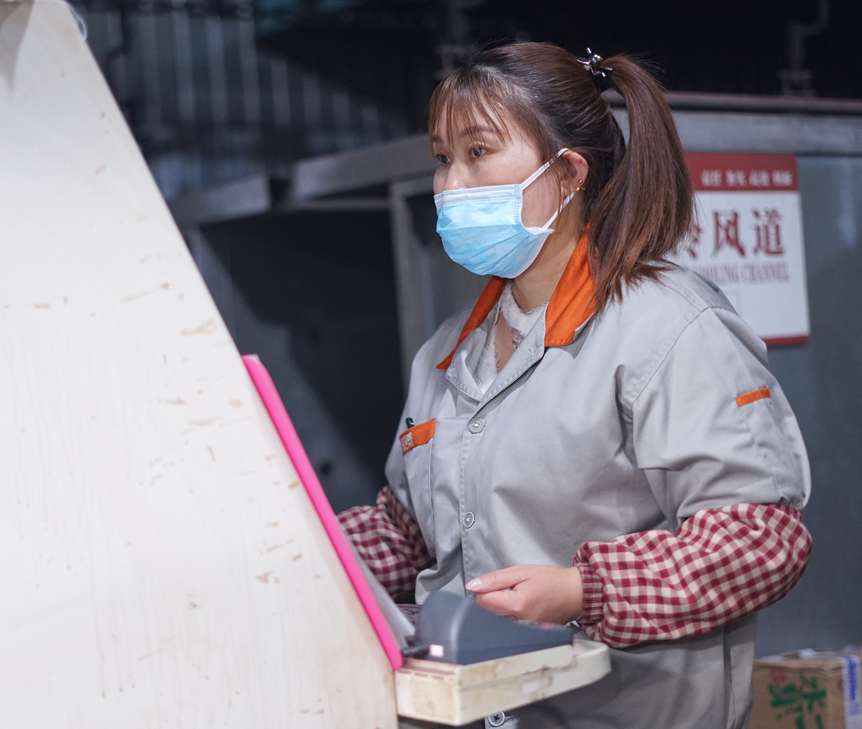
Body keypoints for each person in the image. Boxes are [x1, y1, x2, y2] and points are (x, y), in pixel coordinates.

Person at [339, 42, 812, 729]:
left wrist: (583, 590)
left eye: (478, 153)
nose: (449, 184)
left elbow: (759, 540)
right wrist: (302, 545)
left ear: (567, 173)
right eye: (443, 157)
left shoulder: (669, 327)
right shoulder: (447, 352)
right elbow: (408, 532)